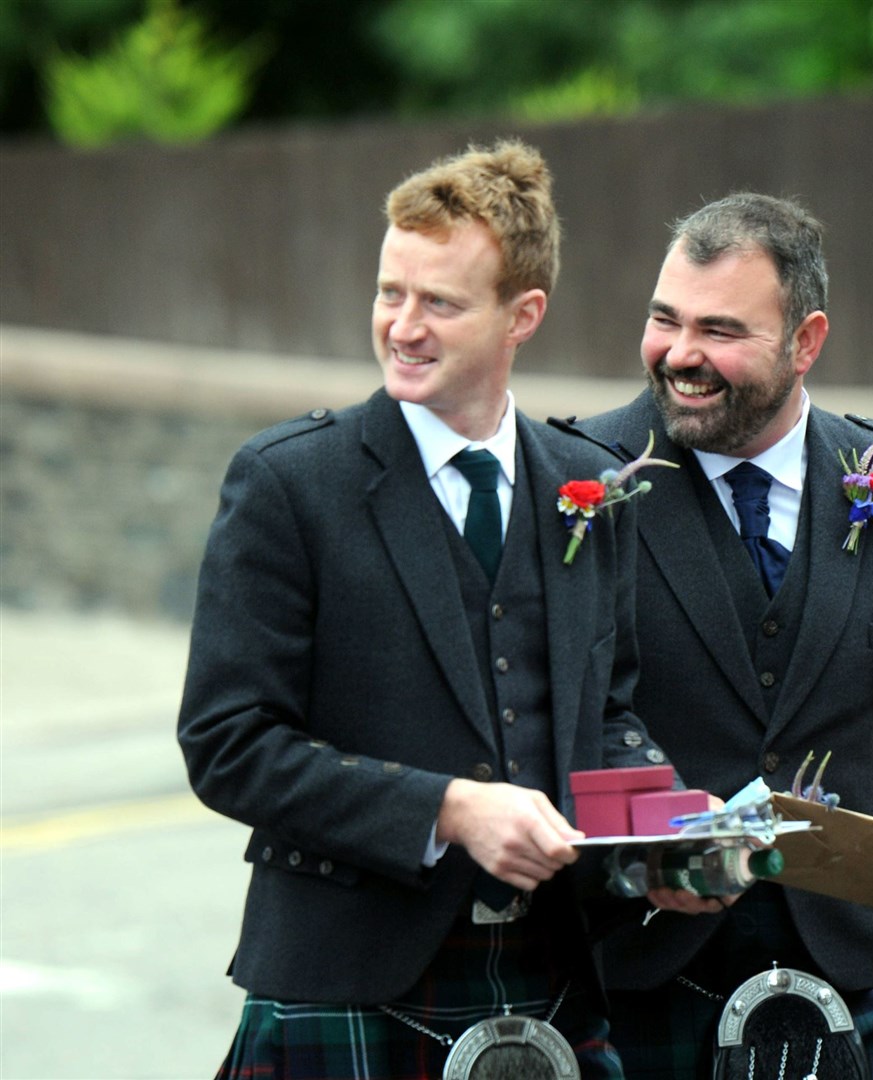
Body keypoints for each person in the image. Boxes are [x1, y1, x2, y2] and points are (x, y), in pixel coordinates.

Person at [178, 139, 669, 1079]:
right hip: (348, 978)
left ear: (522, 314)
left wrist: (667, 839)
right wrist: (445, 809)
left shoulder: (590, 486)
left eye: (439, 302)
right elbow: (227, 743)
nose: (402, 326)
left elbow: (605, 715)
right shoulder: (291, 484)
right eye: (388, 292)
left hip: (551, 978)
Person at [578, 193, 873, 1079]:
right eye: (664, 319)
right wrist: (660, 830)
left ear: (806, 341)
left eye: (720, 330)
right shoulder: (580, 483)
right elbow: (565, 727)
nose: (680, 355)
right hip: (641, 980)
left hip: (857, 974)